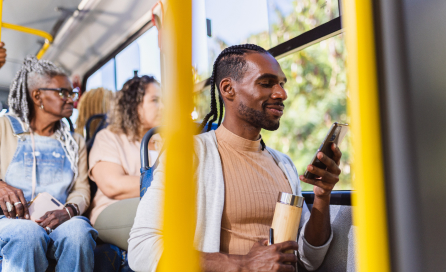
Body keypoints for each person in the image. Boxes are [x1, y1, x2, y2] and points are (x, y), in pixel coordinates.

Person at [129, 44, 343, 271]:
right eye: (266, 83)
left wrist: (322, 196)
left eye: (281, 84)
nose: (282, 93)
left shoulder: (284, 165)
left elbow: (309, 260)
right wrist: (243, 264)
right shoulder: (191, 155)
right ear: (228, 88)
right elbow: (142, 249)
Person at [0, 57, 97, 271]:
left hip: (59, 219)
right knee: (26, 234)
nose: (71, 99)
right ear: (37, 96)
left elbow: (81, 189)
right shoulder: (4, 127)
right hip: (8, 220)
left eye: (72, 93)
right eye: (63, 92)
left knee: (79, 232)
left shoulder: (74, 142)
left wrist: (69, 211)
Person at [88, 75, 162, 225]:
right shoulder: (108, 137)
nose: (164, 107)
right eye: (155, 101)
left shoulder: (167, 139)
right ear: (133, 106)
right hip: (112, 209)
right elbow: (114, 186)